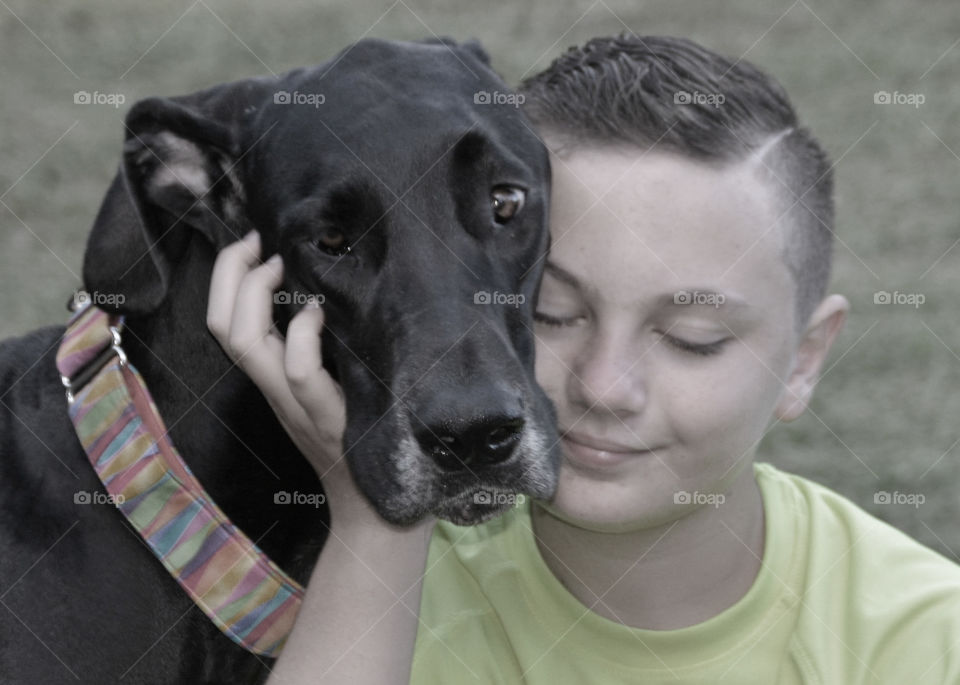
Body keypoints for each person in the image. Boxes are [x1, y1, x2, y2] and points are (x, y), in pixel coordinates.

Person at [206, 35, 960, 684]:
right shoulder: (345, 598)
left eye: (692, 336)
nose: (605, 386)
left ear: (803, 360)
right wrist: (376, 524)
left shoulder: (926, 641)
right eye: (551, 313)